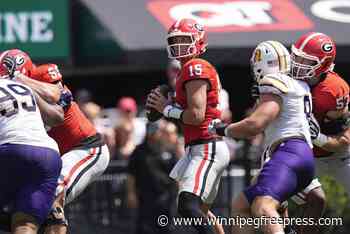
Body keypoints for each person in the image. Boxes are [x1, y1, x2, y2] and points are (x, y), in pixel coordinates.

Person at [1, 49, 111, 234]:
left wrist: (23, 80)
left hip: (85, 149)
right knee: (25, 209)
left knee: (52, 198)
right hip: (51, 155)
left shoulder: (40, 74)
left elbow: (58, 100)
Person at [211, 40, 315, 234]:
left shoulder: (272, 82)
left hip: (288, 153)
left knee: (262, 206)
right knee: (242, 205)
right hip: (301, 155)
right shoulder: (300, 85)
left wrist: (222, 130)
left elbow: (255, 125)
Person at [146, 18, 229, 234]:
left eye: (185, 39)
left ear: (198, 40)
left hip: (206, 145)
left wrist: (165, 108)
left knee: (187, 204)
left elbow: (196, 115)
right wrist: (168, 103)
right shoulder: (187, 69)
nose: (179, 45)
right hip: (198, 146)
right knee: (199, 209)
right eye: (175, 40)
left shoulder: (196, 67)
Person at [289, 32, 350, 234]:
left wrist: (318, 137)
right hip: (304, 155)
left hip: (337, 155)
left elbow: (343, 140)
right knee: (268, 195)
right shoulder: (285, 80)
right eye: (296, 57)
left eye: (305, 61)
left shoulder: (333, 89)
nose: (297, 64)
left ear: (323, 65)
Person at [0, 58, 63, 234]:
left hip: (11, 149)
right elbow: (57, 117)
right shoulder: (23, 87)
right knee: (25, 224)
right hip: (47, 155)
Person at [127, 120, 178, 234]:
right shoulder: (139, 151)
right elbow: (131, 174)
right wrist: (131, 194)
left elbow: (177, 175)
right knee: (145, 228)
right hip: (146, 197)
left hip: (167, 196)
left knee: (167, 227)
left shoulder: (168, 149)